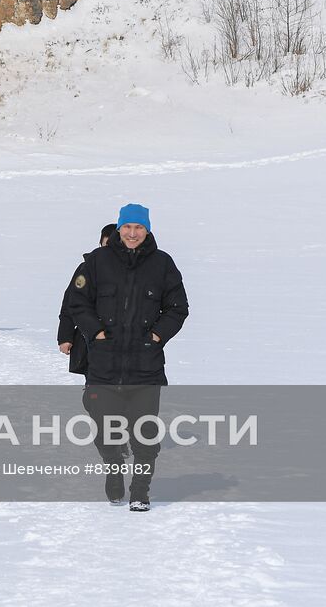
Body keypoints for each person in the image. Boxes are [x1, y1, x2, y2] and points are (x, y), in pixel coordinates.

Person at [63, 204, 189, 512]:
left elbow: (178, 308)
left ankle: (141, 490)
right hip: (104, 364)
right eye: (128, 227)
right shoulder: (96, 262)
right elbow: (76, 302)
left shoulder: (162, 264)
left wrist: (157, 337)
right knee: (106, 430)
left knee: (145, 433)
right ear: (119, 229)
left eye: (139, 228)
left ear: (147, 231)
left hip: (145, 365)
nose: (133, 233)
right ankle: (114, 467)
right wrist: (96, 334)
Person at [58, 223, 119, 378]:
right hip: (91, 339)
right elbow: (71, 303)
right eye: (106, 245)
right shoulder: (86, 269)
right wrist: (65, 336)